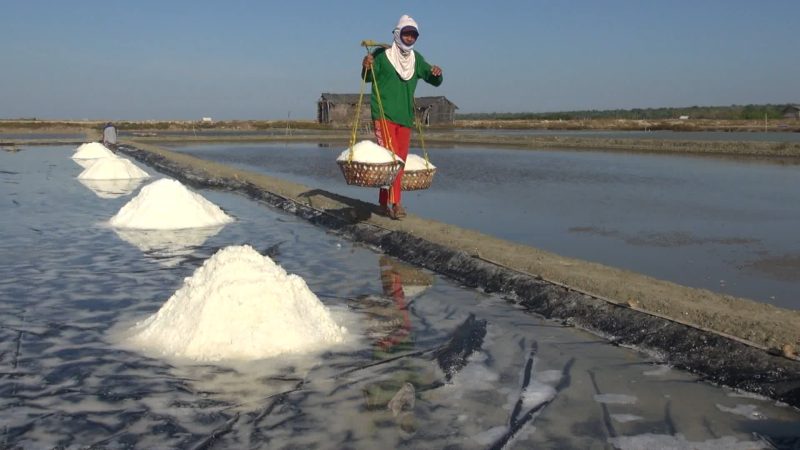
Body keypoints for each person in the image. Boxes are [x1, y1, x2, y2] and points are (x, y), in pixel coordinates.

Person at [362, 14, 443, 220]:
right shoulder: (382, 55)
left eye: (413, 35)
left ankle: (383, 203)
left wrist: (436, 73)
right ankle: (396, 204)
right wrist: (366, 64)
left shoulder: (416, 60)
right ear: (398, 34)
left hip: (405, 117)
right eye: (406, 33)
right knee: (390, 161)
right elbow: (367, 77)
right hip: (383, 113)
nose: (409, 38)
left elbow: (434, 80)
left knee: (399, 162)